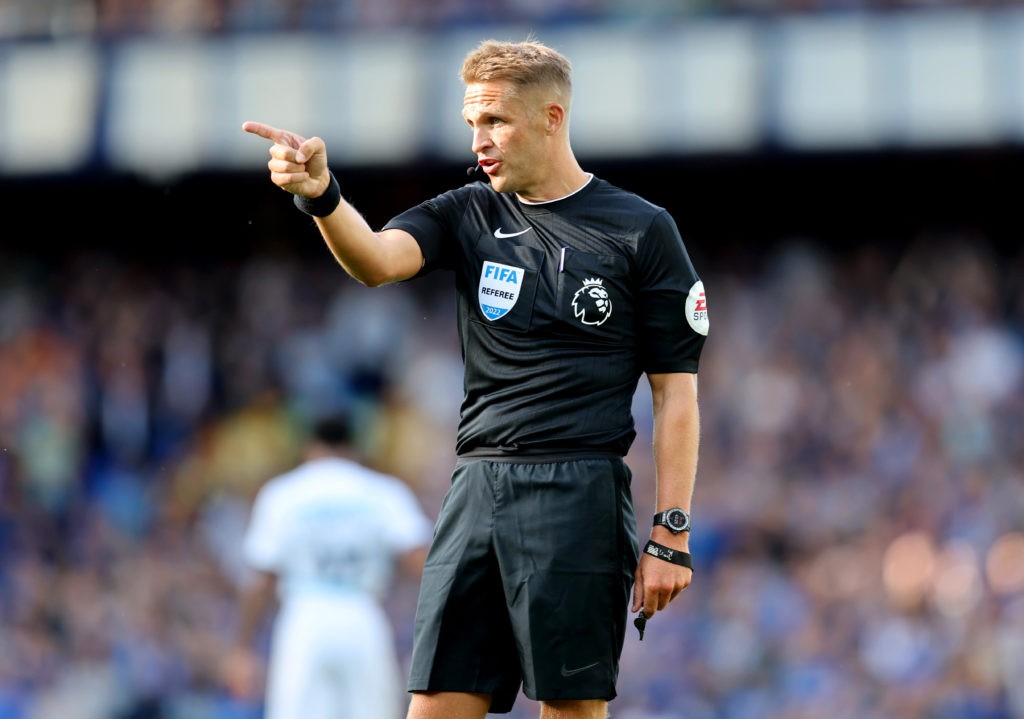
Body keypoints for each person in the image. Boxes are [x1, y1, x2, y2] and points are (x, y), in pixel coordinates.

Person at [243, 36, 709, 719]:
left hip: (578, 488)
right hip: (477, 488)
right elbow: (375, 259)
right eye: (471, 123)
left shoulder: (641, 230)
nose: (478, 140)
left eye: (495, 121)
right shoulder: (468, 213)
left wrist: (672, 531)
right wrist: (322, 196)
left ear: (552, 118)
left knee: (571, 709)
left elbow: (676, 396)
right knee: (432, 706)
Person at [225, 413, 432, 719]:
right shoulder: (382, 491)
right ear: (355, 446)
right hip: (362, 615)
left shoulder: (283, 493)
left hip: (303, 617)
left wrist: (242, 647)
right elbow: (421, 560)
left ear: (309, 446)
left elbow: (261, 578)